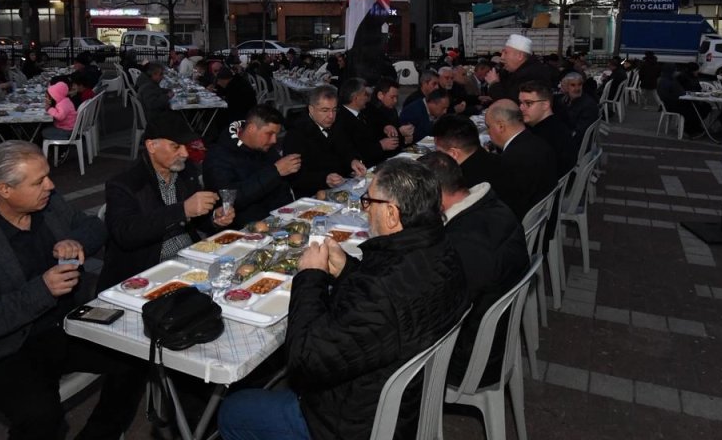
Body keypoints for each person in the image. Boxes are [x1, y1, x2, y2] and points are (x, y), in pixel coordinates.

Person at [217, 159, 470, 440]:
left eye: (368, 201)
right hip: (409, 396)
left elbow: (304, 360)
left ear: (391, 214)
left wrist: (310, 277)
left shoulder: (381, 288)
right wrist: (348, 269)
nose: (365, 210)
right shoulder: (442, 249)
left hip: (356, 420)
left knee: (234, 410)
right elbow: (388, 311)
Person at [0, 141, 146, 440]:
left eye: (47, 175)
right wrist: (42, 291)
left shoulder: (49, 205)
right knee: (41, 416)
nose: (50, 184)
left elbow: (94, 226)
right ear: (5, 190)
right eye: (39, 181)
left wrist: (77, 242)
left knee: (139, 353)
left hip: (66, 327)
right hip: (6, 350)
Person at [418, 151, 528, 386]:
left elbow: (430, 309)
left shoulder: (463, 242)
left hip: (469, 358)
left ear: (432, 194)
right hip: (495, 338)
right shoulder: (494, 207)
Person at [98, 112, 235, 290]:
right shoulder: (125, 183)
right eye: (176, 146)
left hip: (188, 259)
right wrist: (182, 210)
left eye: (185, 145)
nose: (185, 153)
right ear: (151, 146)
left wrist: (214, 219)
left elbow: (197, 222)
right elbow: (125, 234)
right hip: (146, 272)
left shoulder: (185, 172)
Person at [203, 104, 300, 223]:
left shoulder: (265, 147)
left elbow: (282, 189)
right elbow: (229, 200)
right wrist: (275, 171)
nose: (274, 140)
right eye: (269, 134)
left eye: (276, 134)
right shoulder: (218, 155)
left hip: (278, 219)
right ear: (251, 129)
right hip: (242, 228)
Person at [283, 85, 365, 198]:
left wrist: (353, 161)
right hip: (312, 195)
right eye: (325, 110)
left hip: (340, 187)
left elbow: (347, 149)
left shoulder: (337, 124)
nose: (331, 116)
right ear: (311, 109)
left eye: (334, 110)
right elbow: (296, 177)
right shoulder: (296, 135)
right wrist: (324, 179)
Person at [484, 100, 557, 221]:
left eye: (488, 127)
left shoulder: (511, 160)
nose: (488, 132)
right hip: (544, 217)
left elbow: (505, 205)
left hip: (526, 225)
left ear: (501, 126)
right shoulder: (539, 142)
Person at [432, 114, 506, 204]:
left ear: (453, 153)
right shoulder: (501, 160)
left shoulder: (460, 185)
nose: (437, 156)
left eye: (439, 151)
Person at [334, 78, 399, 166]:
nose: (368, 98)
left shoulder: (367, 109)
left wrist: (386, 126)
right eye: (365, 95)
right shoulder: (341, 120)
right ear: (355, 98)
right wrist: (380, 146)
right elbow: (353, 150)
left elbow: (380, 118)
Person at [518, 82, 576, 175]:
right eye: (520, 103)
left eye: (528, 103)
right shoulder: (555, 124)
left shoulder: (543, 136)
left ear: (545, 105)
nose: (521, 108)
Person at [484, 35, 559, 103]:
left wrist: (493, 84)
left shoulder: (530, 74)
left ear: (520, 56)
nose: (502, 58)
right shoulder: (523, 70)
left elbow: (510, 104)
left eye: (506, 53)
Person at [360, 78, 414, 155]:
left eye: (397, 97)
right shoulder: (371, 112)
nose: (395, 101)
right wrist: (401, 134)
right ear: (380, 95)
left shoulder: (391, 109)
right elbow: (376, 139)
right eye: (392, 97)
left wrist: (405, 138)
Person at [556, 72, 600, 158]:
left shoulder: (588, 105)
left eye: (579, 85)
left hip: (577, 147)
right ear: (565, 87)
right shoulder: (566, 99)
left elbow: (579, 133)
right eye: (573, 85)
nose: (577, 88)